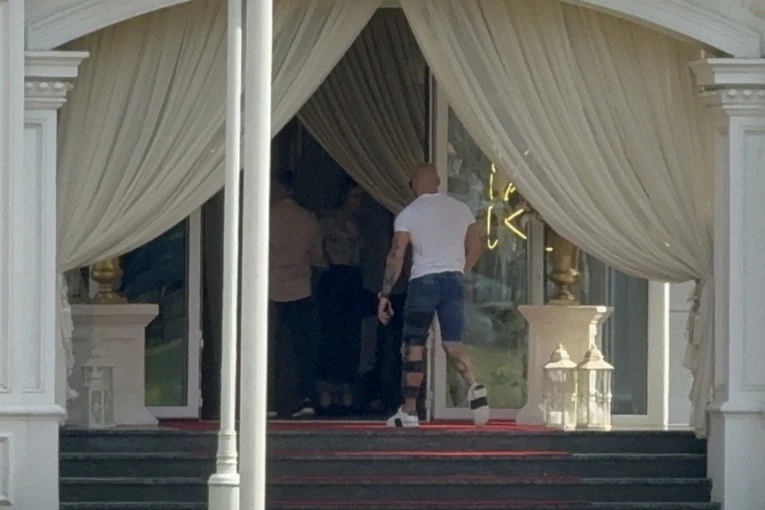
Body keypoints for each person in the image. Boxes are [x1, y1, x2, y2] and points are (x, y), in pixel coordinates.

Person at [378, 162, 489, 428]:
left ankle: (409, 411)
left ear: (416, 181)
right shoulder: (461, 209)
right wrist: (460, 270)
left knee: (414, 345)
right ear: (438, 182)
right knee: (453, 342)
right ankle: (474, 385)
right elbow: (475, 247)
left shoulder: (408, 214)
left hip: (423, 281)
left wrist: (384, 294)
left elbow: (396, 255)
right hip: (453, 280)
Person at [268, 168, 325, 419]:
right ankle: (305, 398)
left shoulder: (265, 217)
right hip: (301, 289)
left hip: (270, 289)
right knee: (302, 348)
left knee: (273, 348)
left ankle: (271, 400)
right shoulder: (309, 219)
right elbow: (317, 257)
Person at [315, 184, 365, 415]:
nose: (359, 201)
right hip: (332, 277)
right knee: (330, 333)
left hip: (353, 278)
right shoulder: (328, 220)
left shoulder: (361, 222)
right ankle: (326, 387)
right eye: (355, 195)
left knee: (351, 335)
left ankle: (346, 386)